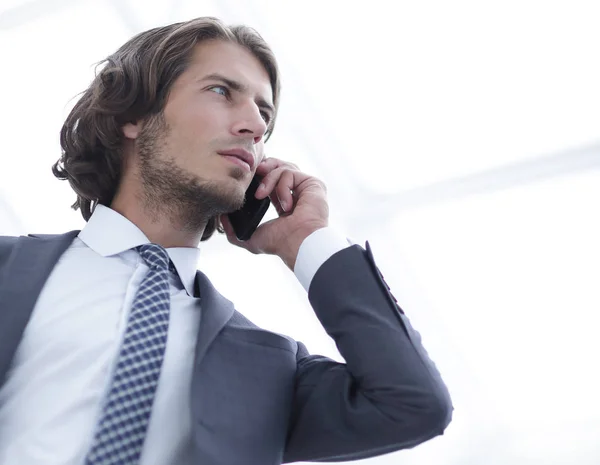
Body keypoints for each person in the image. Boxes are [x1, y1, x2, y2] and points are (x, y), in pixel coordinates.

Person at [0, 16, 452, 465]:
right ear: (133, 115)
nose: (255, 125)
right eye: (221, 91)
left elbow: (413, 406)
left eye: (265, 113)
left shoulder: (265, 367)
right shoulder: (9, 267)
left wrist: (308, 240)